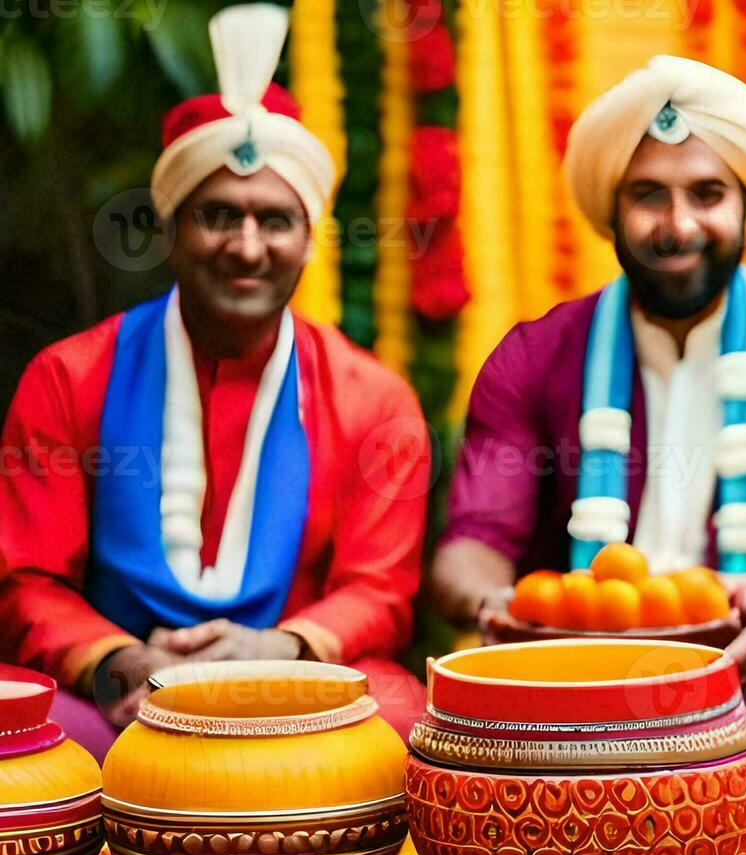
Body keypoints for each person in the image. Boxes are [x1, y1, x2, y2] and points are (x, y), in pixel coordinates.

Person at [431, 55, 746, 795]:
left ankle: (637, 776)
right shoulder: (533, 358)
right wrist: (501, 605)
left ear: (745, 207)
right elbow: (467, 550)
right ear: (611, 209)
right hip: (571, 687)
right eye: (648, 197)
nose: (678, 225)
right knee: (443, 705)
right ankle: (696, 777)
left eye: (707, 194)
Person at [0, 4, 429, 757]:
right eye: (218, 215)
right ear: (172, 229)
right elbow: (28, 581)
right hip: (116, 699)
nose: (247, 246)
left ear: (308, 241)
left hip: (297, 695)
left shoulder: (374, 400)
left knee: (399, 711)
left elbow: (380, 590)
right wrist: (126, 664)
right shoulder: (69, 377)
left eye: (275, 220)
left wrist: (279, 655)